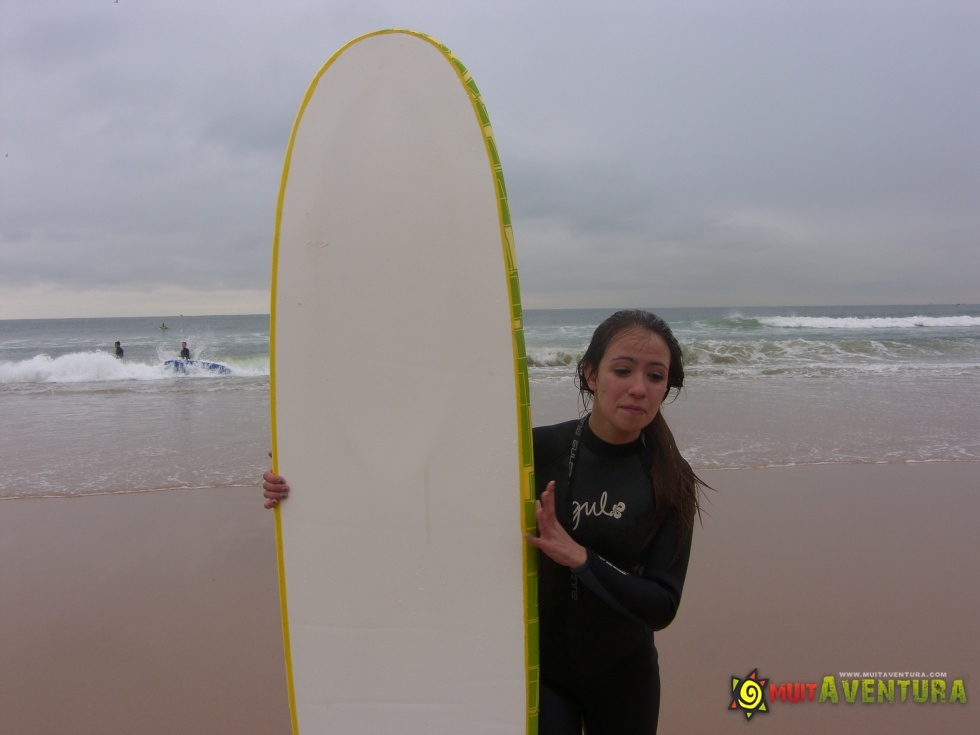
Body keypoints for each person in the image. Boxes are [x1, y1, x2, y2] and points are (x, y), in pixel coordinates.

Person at [260, 310, 706, 734]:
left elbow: (662, 605)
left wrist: (580, 558)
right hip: (543, 675)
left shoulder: (670, 478)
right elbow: (425, 482)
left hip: (625, 681)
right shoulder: (536, 450)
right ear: (591, 374)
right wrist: (308, 477)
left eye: (655, 376)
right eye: (622, 370)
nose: (638, 389)